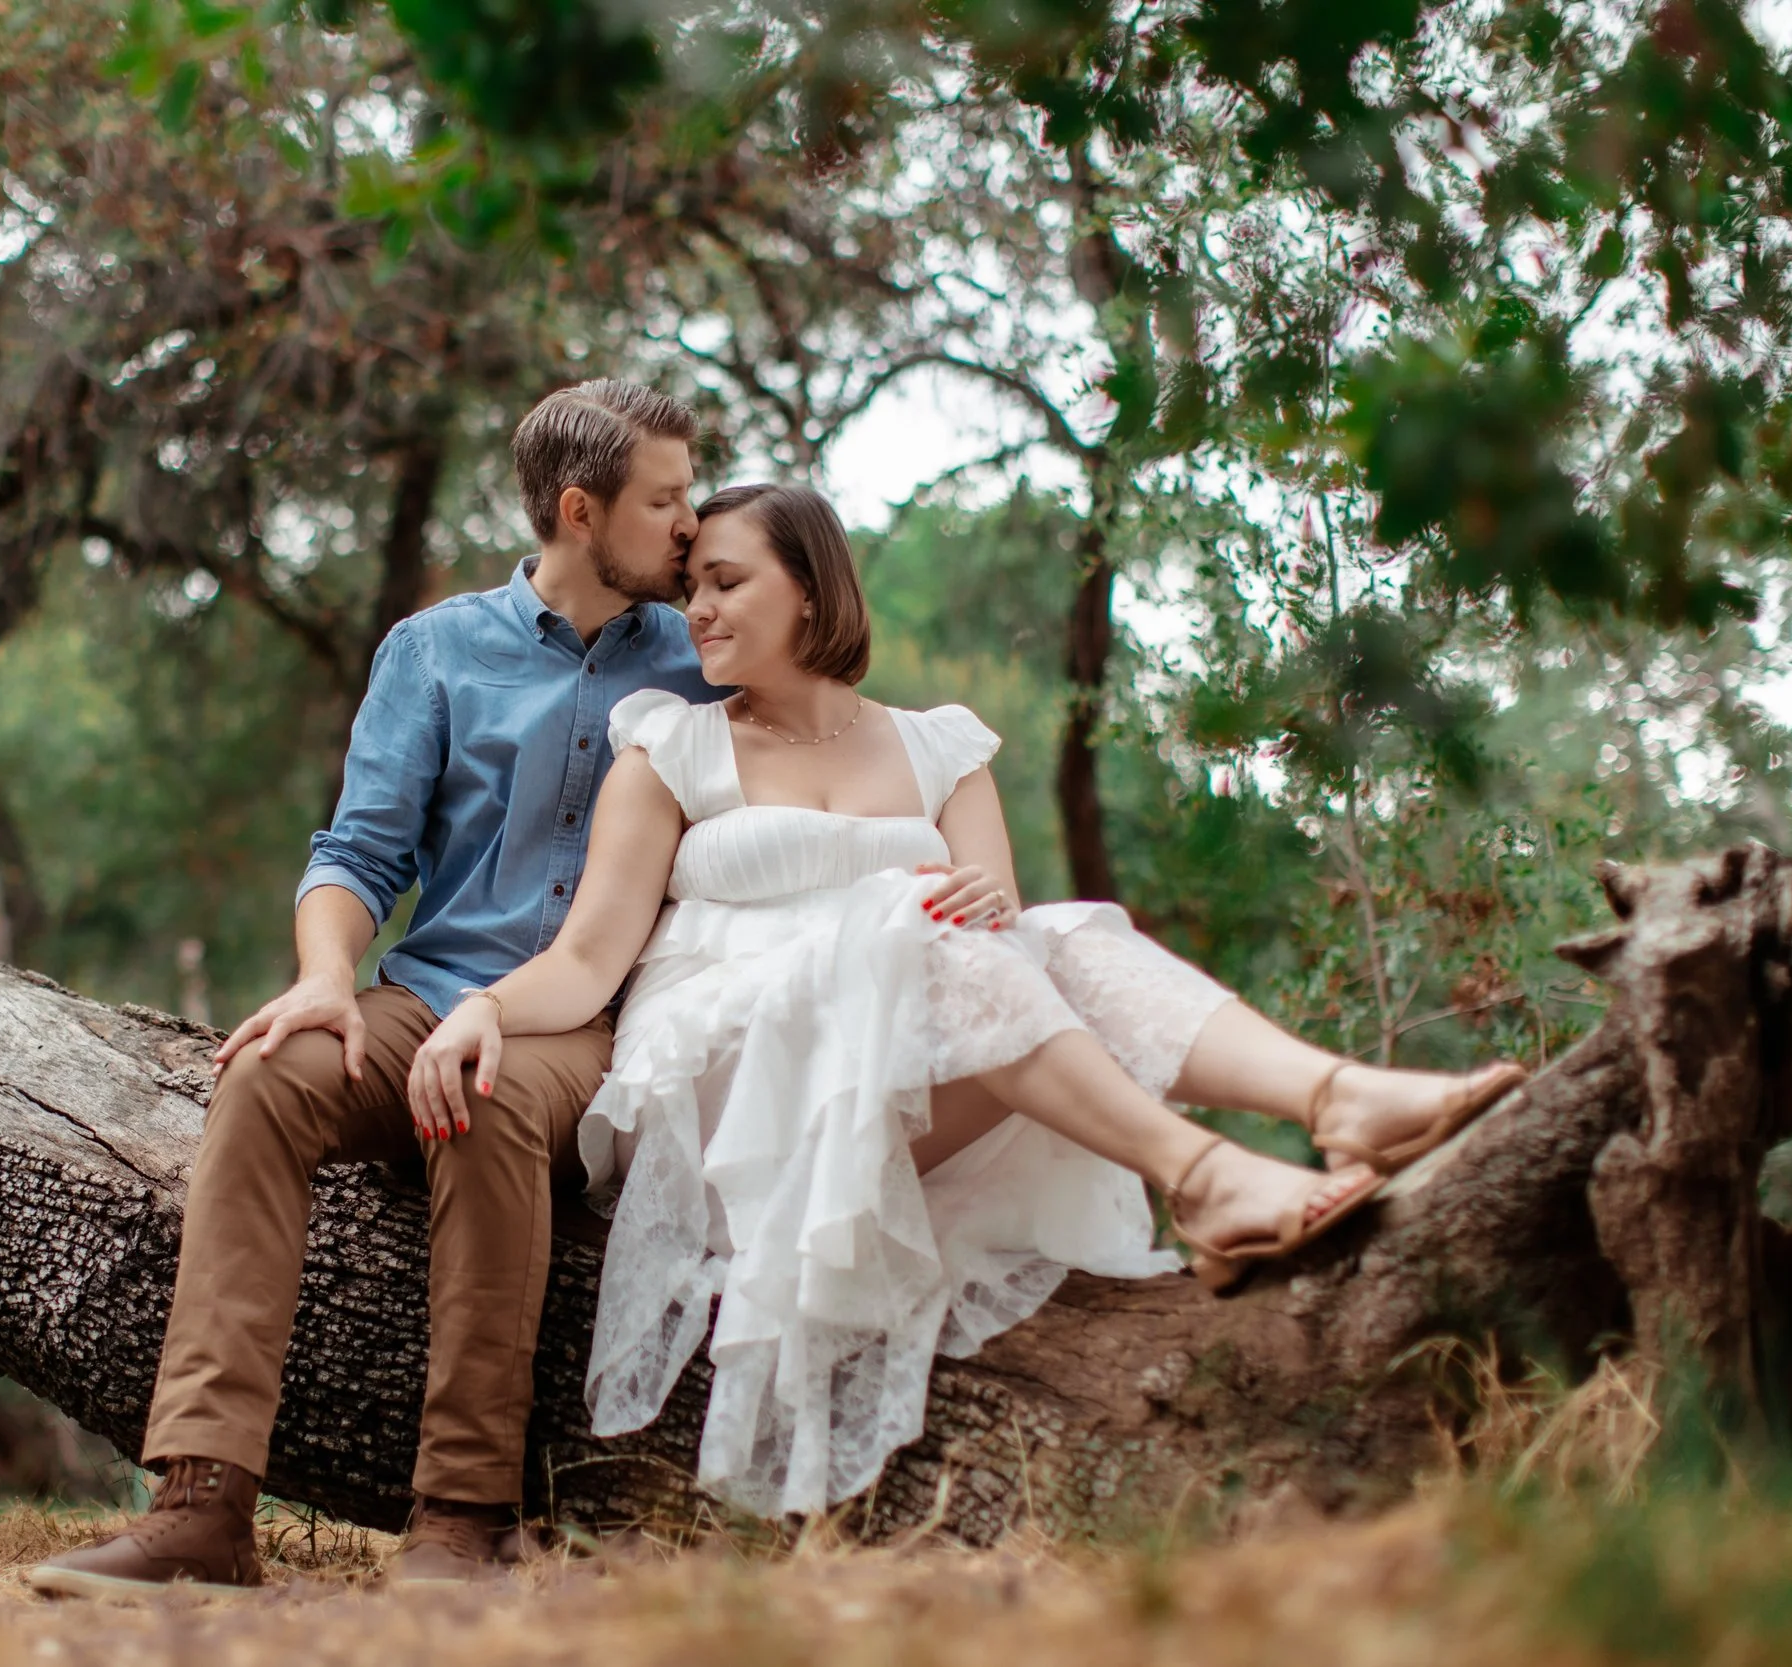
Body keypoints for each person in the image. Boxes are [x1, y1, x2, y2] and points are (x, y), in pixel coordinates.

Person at [404, 482, 1527, 1518]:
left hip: (904, 1072)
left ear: (811, 585)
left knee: (1057, 932)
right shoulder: (670, 742)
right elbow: (592, 958)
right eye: (690, 584)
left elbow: (1000, 949)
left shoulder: (941, 745)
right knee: (920, 916)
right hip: (733, 1102)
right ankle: (1204, 1169)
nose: (695, 607)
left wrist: (959, 908)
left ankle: (1332, 1098)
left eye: (727, 581)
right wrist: (484, 1008)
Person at [28, 380, 723, 1596]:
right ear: (579, 509)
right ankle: (199, 1502)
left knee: (490, 1094)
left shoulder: (700, 655)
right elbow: (357, 853)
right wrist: (325, 980)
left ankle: (462, 1518)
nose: (690, 523)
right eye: (664, 499)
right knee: (261, 1080)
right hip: (422, 993)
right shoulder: (436, 649)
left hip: (584, 1020)